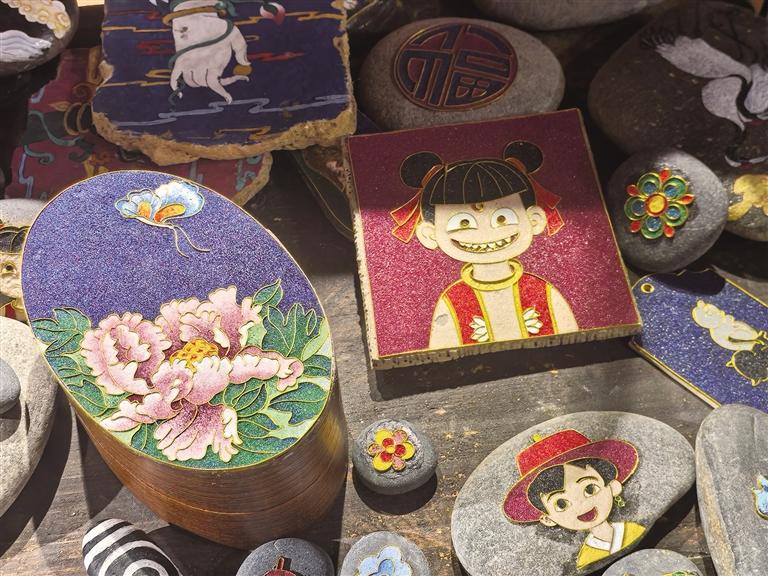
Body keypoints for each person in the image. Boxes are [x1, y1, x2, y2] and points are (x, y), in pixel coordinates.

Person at [390, 141, 578, 349]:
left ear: (534, 220)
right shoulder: (453, 301)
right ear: (429, 234)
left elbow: (573, 336)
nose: (485, 233)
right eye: (463, 223)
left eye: (502, 218)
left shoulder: (542, 291)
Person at [503, 429, 646, 570]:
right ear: (547, 519)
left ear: (613, 486)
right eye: (561, 504)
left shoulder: (637, 530)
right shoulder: (585, 560)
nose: (580, 505)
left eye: (590, 489)